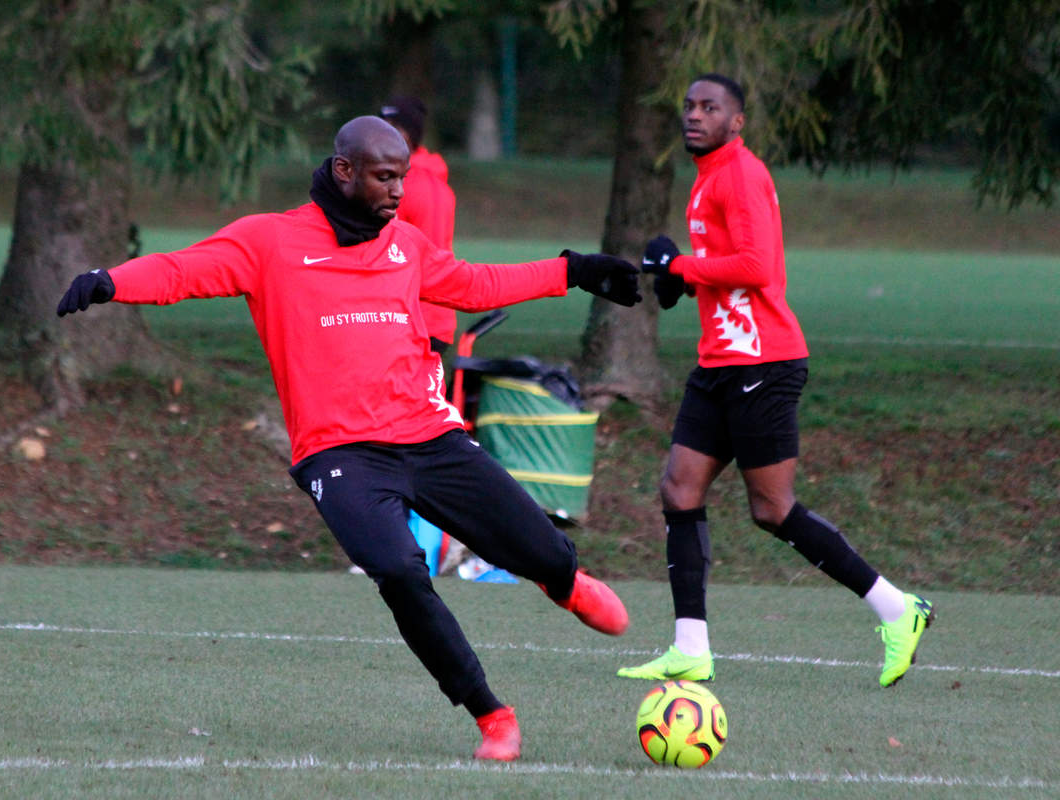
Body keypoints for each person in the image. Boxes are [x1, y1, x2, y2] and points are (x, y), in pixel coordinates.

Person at [56, 115, 640, 762]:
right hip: (339, 454)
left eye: (403, 178)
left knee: (544, 550)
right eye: (386, 178)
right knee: (398, 570)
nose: (398, 192)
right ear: (344, 171)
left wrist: (574, 269)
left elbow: (475, 284)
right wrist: (110, 282)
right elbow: (185, 271)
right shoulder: (270, 242)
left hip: (428, 434)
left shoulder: (406, 245)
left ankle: (564, 583)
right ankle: (492, 714)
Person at [618, 74, 934, 689]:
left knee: (772, 508)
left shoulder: (739, 174)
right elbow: (726, 270)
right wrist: (681, 278)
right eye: (689, 106)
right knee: (680, 489)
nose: (694, 116)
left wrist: (680, 264)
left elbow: (759, 267)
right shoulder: (708, 176)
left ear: (737, 121)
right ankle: (690, 647)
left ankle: (898, 610)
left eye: (710, 108)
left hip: (763, 364)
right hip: (720, 365)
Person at [379, 95, 458, 355]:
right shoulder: (427, 180)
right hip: (430, 318)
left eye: (391, 129)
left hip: (414, 319)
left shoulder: (408, 185)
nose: (380, 136)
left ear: (408, 135)